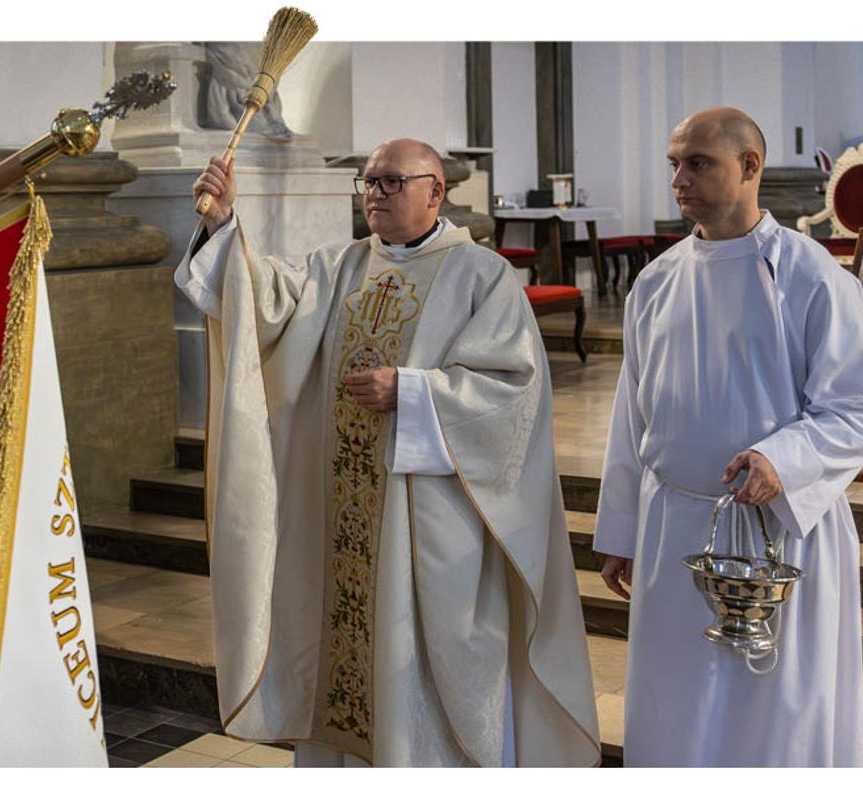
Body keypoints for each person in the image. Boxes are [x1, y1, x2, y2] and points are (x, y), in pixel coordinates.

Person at [178, 138, 599, 767]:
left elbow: (513, 394)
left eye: (391, 182)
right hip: (342, 522)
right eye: (368, 183)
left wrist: (412, 391)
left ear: (436, 191)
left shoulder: (480, 276)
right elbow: (265, 305)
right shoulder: (339, 266)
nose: (375, 194)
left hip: (430, 526)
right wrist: (224, 224)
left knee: (422, 667)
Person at [592, 107, 863, 766]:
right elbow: (632, 418)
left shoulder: (812, 276)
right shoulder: (657, 281)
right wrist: (620, 530)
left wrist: (782, 459)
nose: (679, 179)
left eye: (697, 162)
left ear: (750, 167)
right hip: (676, 530)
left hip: (778, 531)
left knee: (774, 720)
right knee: (675, 706)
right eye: (674, 163)